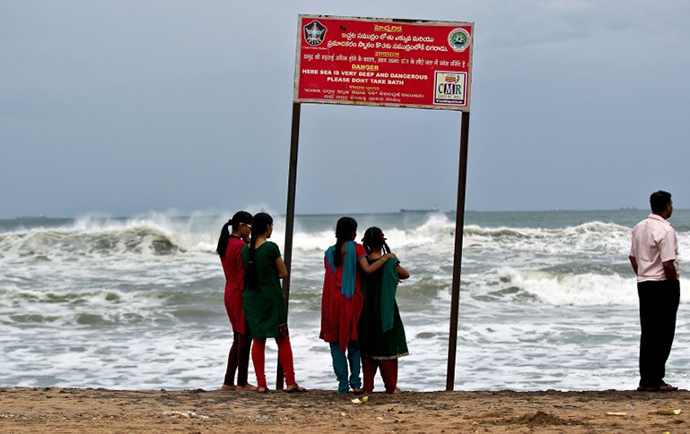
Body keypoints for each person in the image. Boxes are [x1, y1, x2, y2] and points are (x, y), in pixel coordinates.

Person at [320, 217, 395, 394]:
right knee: (353, 342)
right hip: (351, 301)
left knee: (336, 345)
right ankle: (355, 383)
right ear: (352, 232)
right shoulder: (356, 248)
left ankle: (342, 386)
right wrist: (386, 258)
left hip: (331, 302)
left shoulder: (329, 252)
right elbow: (367, 270)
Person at [242, 212, 306, 393]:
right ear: (268, 227)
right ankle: (291, 382)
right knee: (282, 337)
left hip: (252, 299)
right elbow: (283, 272)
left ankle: (261, 384)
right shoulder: (271, 248)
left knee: (258, 339)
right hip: (270, 297)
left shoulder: (245, 249)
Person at [629, 190, 680, 392]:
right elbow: (668, 263)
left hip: (644, 283)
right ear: (667, 206)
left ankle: (646, 379)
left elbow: (632, 258)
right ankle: (656, 378)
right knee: (664, 332)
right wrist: (674, 283)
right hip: (662, 283)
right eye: (671, 204)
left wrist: (642, 273)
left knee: (648, 332)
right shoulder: (666, 230)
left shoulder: (639, 227)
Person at [359, 226, 410, 394]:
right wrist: (391, 262)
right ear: (382, 243)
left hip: (365, 311)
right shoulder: (389, 263)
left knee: (367, 349)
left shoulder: (363, 262)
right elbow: (406, 274)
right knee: (387, 348)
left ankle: (367, 387)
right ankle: (391, 387)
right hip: (386, 310)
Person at [216, 211, 256, 391]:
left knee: (237, 338)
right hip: (239, 293)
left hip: (229, 291)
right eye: (250, 227)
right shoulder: (240, 247)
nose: (252, 231)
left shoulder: (226, 243)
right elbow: (242, 276)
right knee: (245, 337)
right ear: (242, 226)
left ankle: (228, 381)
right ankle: (242, 382)